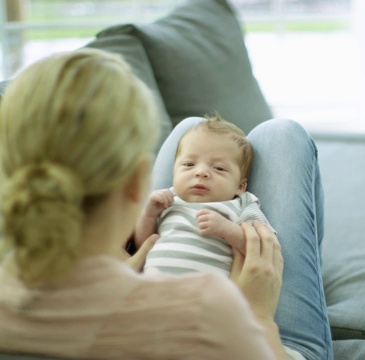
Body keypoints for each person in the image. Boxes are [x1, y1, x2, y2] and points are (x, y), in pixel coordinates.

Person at [0, 48, 333, 360]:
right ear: (136, 183)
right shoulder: (208, 309)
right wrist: (260, 315)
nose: (200, 174)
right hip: (260, 333)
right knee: (282, 134)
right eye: (187, 167)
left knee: (192, 128)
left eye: (216, 169)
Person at [136, 114, 274, 276]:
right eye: (189, 164)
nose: (201, 172)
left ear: (240, 186)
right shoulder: (168, 200)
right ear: (173, 173)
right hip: (151, 291)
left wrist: (227, 230)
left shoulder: (242, 203)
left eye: (219, 168)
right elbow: (142, 246)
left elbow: (263, 250)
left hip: (208, 294)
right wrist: (149, 214)